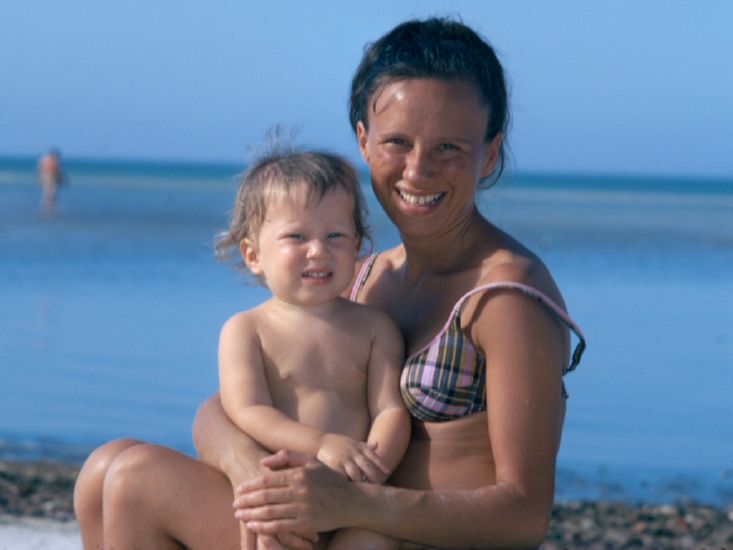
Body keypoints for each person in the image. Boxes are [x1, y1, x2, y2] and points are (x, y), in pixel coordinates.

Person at [73, 17, 586, 549]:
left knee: (133, 480)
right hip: (330, 523)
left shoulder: (505, 297)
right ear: (363, 142)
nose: (418, 170)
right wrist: (248, 469)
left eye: (448, 149)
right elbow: (224, 408)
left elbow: (525, 515)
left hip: (396, 536)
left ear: (490, 153)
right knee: (103, 472)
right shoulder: (363, 274)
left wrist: (351, 502)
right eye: (398, 142)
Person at [216, 147, 409, 548]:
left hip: (350, 498)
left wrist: (368, 473)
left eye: (335, 235)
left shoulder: (374, 327)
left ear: (357, 248)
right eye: (297, 236)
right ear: (253, 255)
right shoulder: (247, 330)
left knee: (375, 539)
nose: (318, 250)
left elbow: (389, 409)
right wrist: (319, 444)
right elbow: (248, 410)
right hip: (280, 491)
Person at [37, 148, 65, 214]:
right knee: (52, 194)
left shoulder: (43, 159)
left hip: (46, 178)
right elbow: (58, 171)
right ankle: (49, 209)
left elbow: (39, 169)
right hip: (51, 178)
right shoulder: (52, 160)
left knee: (47, 194)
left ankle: (45, 208)